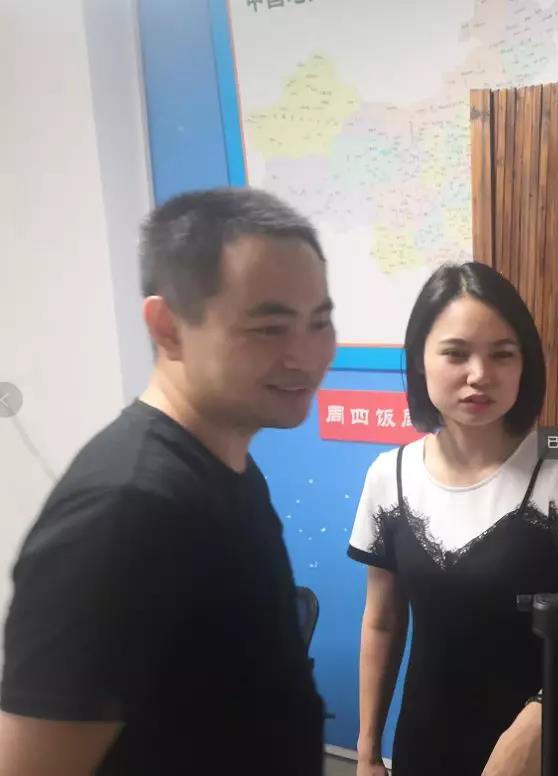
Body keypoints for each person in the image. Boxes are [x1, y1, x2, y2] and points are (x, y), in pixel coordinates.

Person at [0, 187, 335, 775]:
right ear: (168, 327)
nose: (305, 357)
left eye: (320, 323)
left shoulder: (226, 464)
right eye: (270, 328)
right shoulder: (125, 512)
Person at [349, 261, 558, 776]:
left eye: (502, 354)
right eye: (455, 353)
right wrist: (366, 751)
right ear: (420, 360)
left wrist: (535, 725)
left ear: (525, 365)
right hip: (426, 744)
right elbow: (382, 621)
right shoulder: (388, 478)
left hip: (541, 749)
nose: (479, 375)